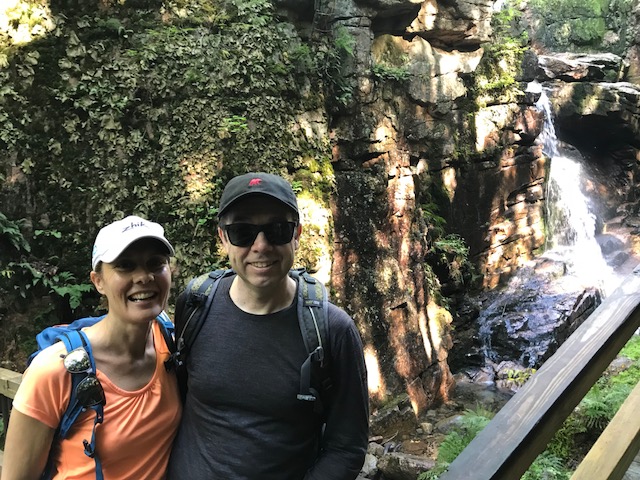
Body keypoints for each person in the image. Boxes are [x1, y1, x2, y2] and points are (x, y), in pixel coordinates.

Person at [167, 172, 369, 480]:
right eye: (242, 232)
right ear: (223, 238)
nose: (261, 246)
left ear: (296, 234)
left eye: (277, 230)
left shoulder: (332, 330)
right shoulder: (195, 306)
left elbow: (347, 447)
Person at [3, 215, 182, 480]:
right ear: (98, 281)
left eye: (156, 263)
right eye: (125, 266)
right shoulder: (55, 370)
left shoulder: (171, 344)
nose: (144, 277)